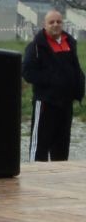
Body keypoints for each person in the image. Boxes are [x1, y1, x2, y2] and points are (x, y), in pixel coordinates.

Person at [22, 9, 85, 162]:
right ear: (45, 25)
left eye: (59, 21)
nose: (56, 25)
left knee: (62, 146)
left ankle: (59, 174)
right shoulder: (36, 47)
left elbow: (75, 67)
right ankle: (36, 174)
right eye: (52, 22)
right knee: (40, 145)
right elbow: (27, 72)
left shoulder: (69, 43)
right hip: (46, 103)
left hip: (66, 104)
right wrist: (51, 80)